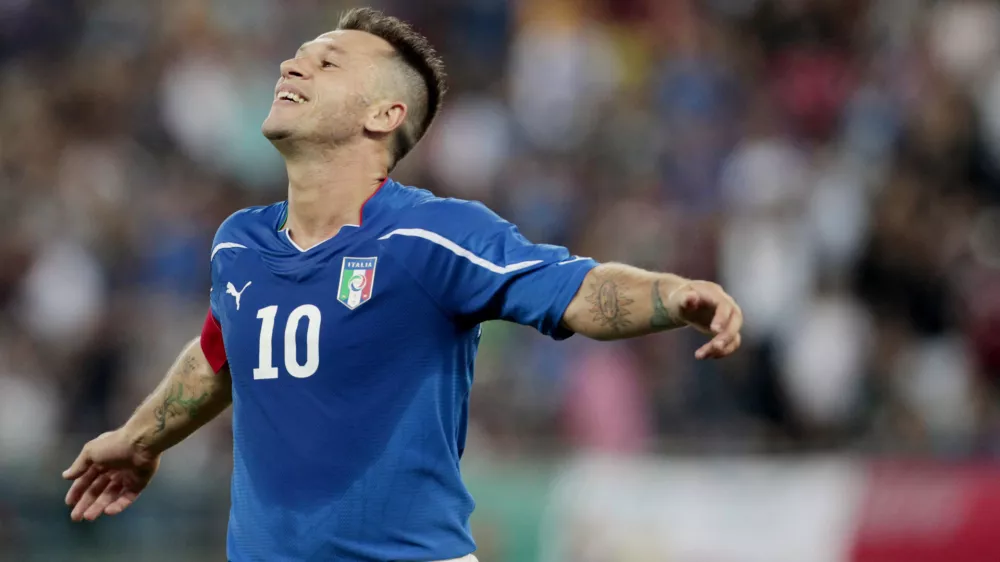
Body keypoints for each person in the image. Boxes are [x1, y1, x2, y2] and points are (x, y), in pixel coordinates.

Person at [62, 7, 743, 562]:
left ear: (384, 115)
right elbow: (221, 353)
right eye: (299, 53)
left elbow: (577, 289)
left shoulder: (429, 236)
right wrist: (142, 436)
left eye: (327, 61)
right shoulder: (240, 242)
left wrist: (672, 296)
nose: (292, 64)